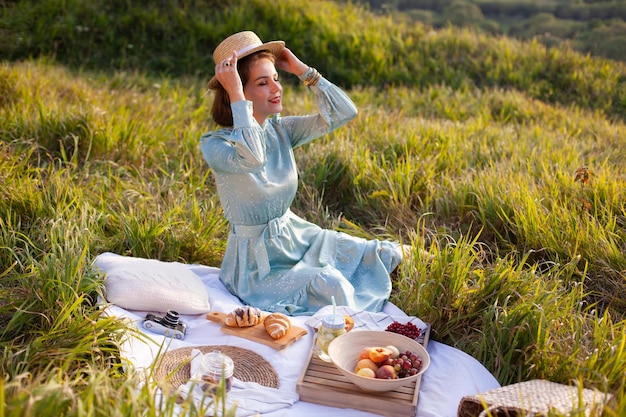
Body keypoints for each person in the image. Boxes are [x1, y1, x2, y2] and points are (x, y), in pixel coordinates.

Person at [200, 31, 405, 316]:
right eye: (263, 83)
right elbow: (253, 159)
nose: (276, 89)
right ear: (238, 92)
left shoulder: (281, 130)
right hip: (256, 269)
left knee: (381, 252)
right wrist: (235, 93)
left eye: (276, 79)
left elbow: (345, 112)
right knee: (334, 287)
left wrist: (303, 71)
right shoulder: (215, 145)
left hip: (297, 239)